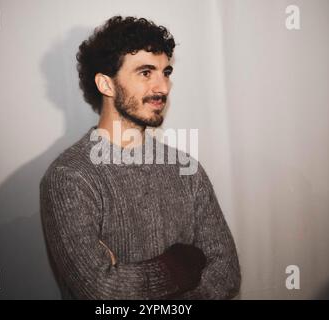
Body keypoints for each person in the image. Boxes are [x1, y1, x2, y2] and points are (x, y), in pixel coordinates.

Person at [40, 15, 241, 299]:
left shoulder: (186, 170)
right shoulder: (70, 177)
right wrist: (177, 268)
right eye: (146, 72)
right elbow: (101, 291)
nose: (163, 87)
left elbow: (227, 272)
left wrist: (130, 276)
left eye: (166, 72)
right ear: (106, 85)